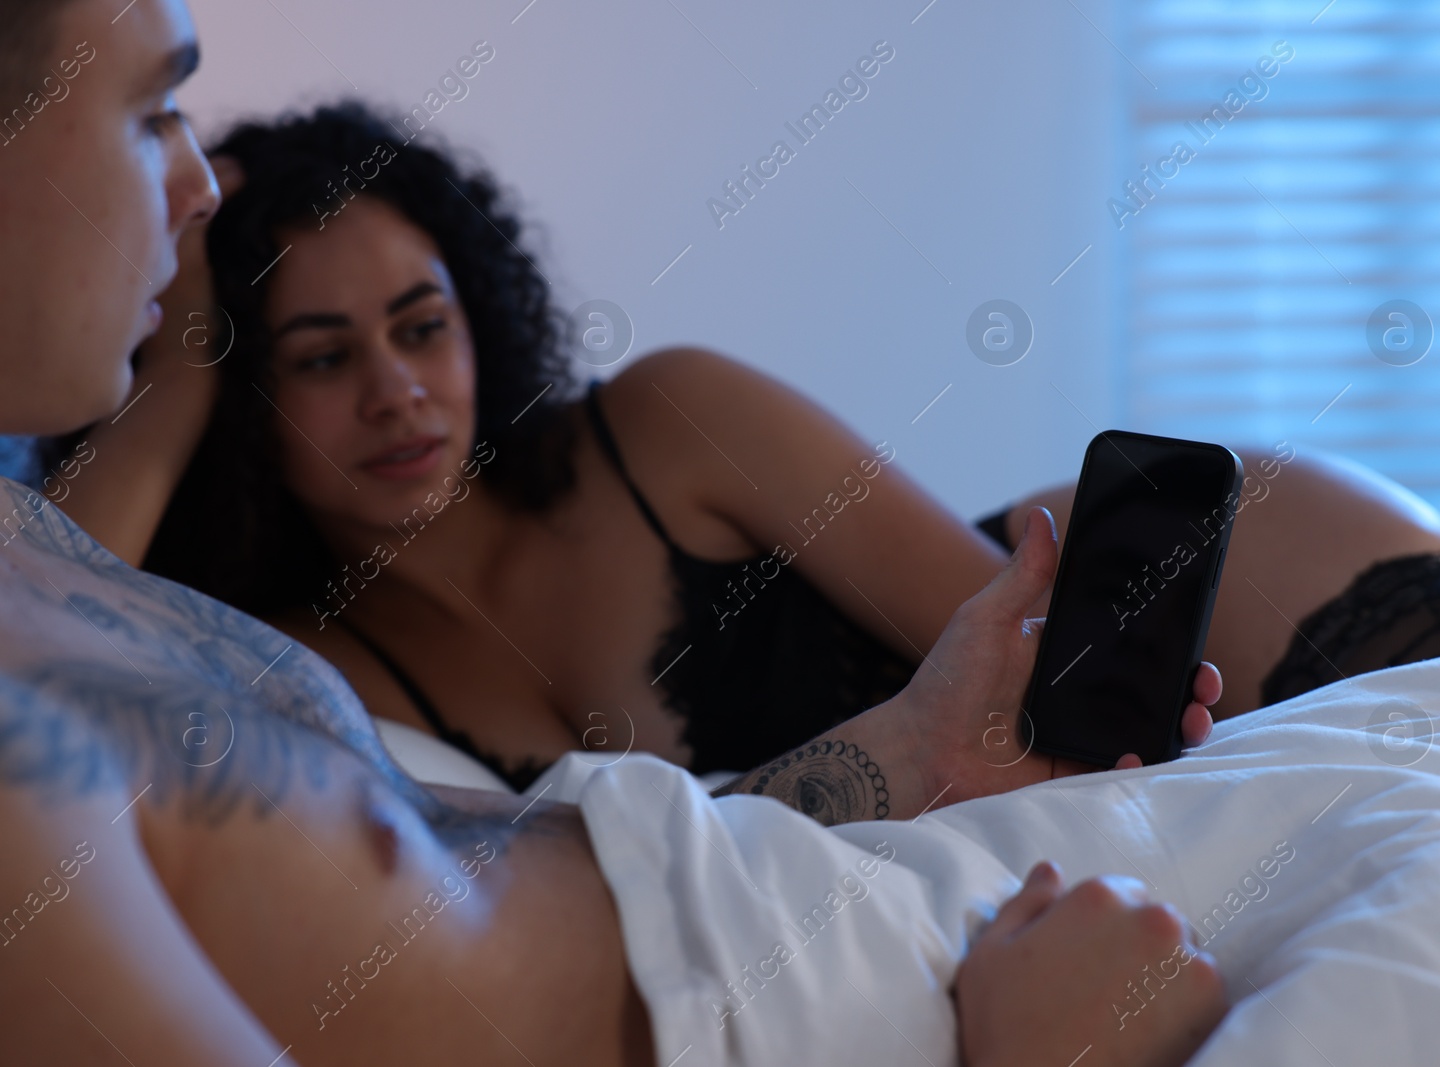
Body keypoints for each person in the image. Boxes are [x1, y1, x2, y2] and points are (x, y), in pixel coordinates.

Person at [0, 1, 1229, 1064]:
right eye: (153, 111)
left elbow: (536, 872)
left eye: (422, 325)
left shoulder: (45, 569)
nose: (196, 185)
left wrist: (913, 746)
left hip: (887, 899)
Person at [43, 102, 1440, 791]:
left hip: (1272, 587)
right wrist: (180, 360)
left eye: (422, 322)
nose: (397, 390)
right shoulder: (319, 665)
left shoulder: (668, 415)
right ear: (243, 401)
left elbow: (1033, 682)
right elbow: (45, 623)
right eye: (317, 357)